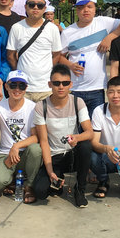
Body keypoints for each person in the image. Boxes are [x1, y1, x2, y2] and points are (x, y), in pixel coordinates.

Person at [32, 64, 94, 208]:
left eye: (65, 83)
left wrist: (77, 138)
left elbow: (89, 132)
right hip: (55, 156)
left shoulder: (78, 102)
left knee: (85, 146)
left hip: (73, 155)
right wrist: (50, 171)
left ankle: (80, 190)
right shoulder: (41, 106)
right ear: (50, 84)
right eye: (56, 83)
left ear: (70, 85)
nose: (61, 87)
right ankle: (57, 182)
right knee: (40, 192)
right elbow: (44, 141)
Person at [0, 70, 42, 203]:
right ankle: (11, 180)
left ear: (26, 88)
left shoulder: (33, 107)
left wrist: (17, 146)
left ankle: (29, 186)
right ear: (6, 86)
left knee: (36, 149)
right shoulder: (0, 106)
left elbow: (36, 137)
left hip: (25, 154)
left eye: (21, 86)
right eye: (13, 85)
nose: (17, 89)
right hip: (6, 154)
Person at [60, 0, 120, 116]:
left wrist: (109, 38)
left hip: (97, 89)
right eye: (81, 7)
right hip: (74, 89)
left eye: (89, 6)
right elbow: (58, 56)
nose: (85, 10)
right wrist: (70, 65)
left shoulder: (103, 23)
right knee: (76, 125)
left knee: (96, 124)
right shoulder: (68, 32)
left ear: (95, 9)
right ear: (76, 10)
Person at [6, 0, 62, 102]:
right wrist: (20, 71)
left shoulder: (52, 28)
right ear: (25, 7)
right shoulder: (16, 28)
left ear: (44, 8)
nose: (36, 8)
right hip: (22, 87)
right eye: (32, 4)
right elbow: (10, 55)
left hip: (45, 87)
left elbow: (56, 54)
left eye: (40, 5)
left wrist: (47, 70)